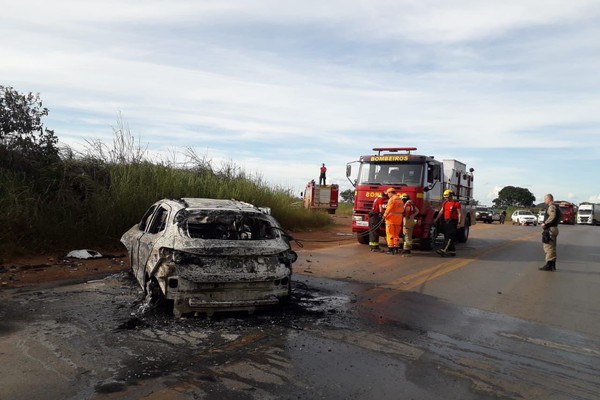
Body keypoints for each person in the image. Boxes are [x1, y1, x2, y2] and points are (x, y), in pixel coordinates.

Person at [433, 189, 462, 257]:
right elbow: (441, 212)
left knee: (449, 236)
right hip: (446, 222)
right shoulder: (445, 203)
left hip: (453, 222)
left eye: (447, 197)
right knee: (447, 236)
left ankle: (443, 250)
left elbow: (459, 214)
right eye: (445, 197)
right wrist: (436, 218)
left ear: (451, 196)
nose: (446, 198)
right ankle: (452, 251)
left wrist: (459, 223)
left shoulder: (456, 204)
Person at [540, 193, 559, 271]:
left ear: (549, 199)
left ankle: (549, 265)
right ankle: (552, 264)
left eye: (545, 199)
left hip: (550, 229)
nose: (544, 201)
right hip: (554, 228)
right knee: (552, 247)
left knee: (548, 247)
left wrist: (545, 223)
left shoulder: (551, 207)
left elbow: (552, 216)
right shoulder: (556, 207)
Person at [383, 188, 404, 254]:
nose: (388, 195)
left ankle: (390, 249)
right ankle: (396, 248)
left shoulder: (392, 199)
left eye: (388, 194)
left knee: (390, 234)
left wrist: (384, 216)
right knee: (396, 235)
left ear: (390, 192)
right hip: (398, 220)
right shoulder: (400, 199)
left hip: (391, 220)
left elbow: (388, 209)